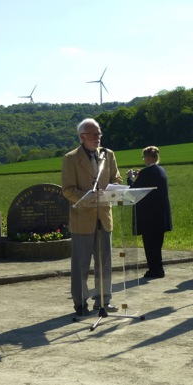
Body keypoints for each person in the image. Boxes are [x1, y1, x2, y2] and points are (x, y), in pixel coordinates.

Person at [61, 118, 123, 316]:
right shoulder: (70, 159)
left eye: (99, 134)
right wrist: (87, 196)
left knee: (104, 263)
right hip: (82, 219)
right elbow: (68, 190)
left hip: (104, 217)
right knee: (81, 265)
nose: (98, 137)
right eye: (94, 134)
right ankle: (80, 303)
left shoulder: (108, 155)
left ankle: (103, 301)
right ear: (82, 137)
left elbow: (117, 179)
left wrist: (111, 190)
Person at [127, 146, 172, 278]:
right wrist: (139, 176)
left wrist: (130, 178)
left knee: (150, 245)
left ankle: (154, 269)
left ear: (147, 158)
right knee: (157, 244)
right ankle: (159, 268)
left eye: (144, 157)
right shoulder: (161, 170)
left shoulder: (146, 172)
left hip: (148, 216)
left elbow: (134, 190)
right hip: (160, 215)